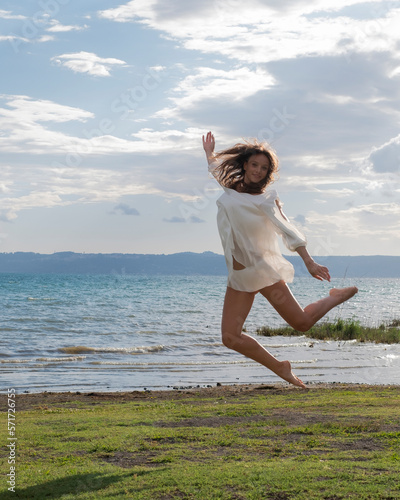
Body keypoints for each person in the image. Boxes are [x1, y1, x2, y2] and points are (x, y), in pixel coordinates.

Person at [202, 131, 358, 389]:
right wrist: (209, 152)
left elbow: (288, 229)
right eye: (254, 165)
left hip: (262, 270)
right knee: (230, 337)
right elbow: (216, 169)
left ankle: (335, 296)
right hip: (240, 276)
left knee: (302, 323)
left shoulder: (267, 198)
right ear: (245, 165)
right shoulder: (230, 189)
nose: (258, 171)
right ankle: (280, 367)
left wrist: (308, 261)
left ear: (268, 172)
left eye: (264, 168)